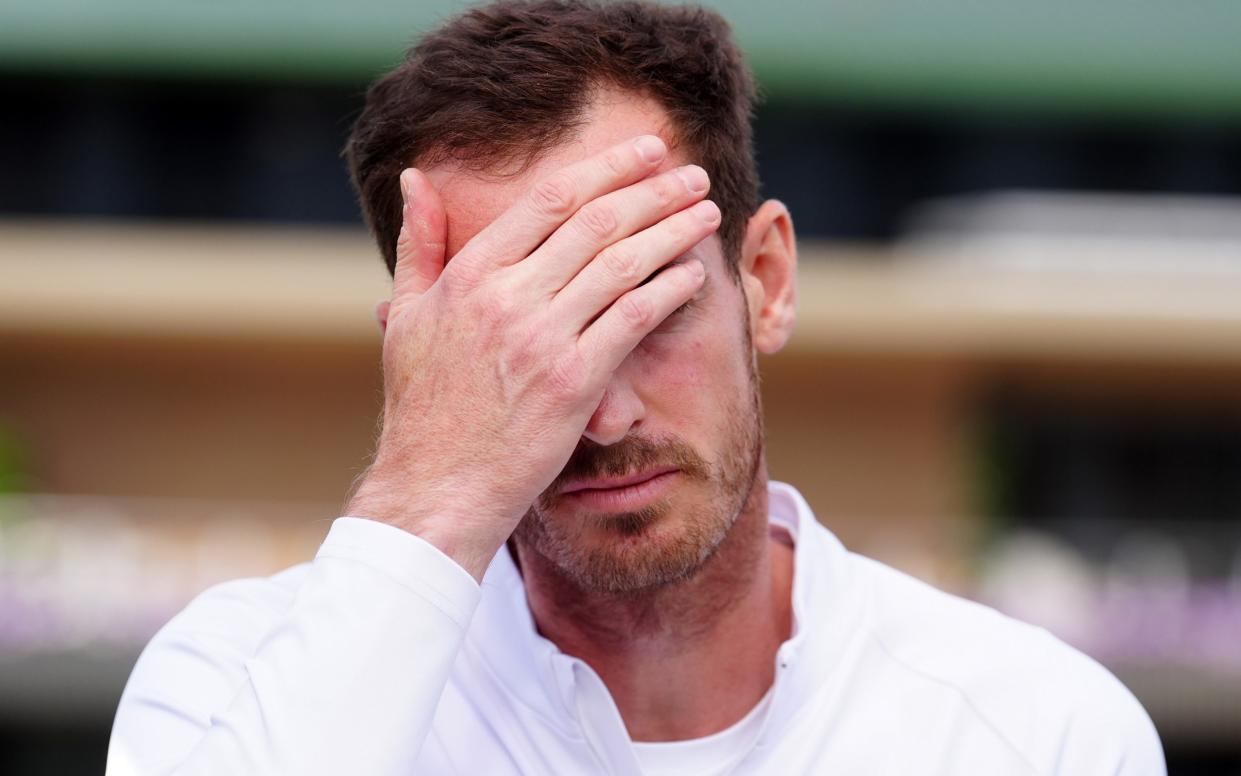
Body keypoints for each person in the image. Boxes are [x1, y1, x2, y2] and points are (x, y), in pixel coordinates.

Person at [107, 1, 1166, 774]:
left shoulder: (1037, 731)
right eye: (522, 340)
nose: (601, 411)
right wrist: (422, 492)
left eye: (646, 311)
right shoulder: (230, 682)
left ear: (763, 280)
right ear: (421, 360)